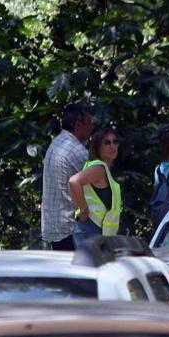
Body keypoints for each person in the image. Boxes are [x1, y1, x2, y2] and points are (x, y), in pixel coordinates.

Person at [41, 102, 93, 250]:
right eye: (89, 123)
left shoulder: (56, 143)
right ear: (78, 124)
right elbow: (98, 183)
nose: (92, 127)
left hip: (54, 226)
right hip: (70, 228)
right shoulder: (76, 151)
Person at [69, 128, 121, 245]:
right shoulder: (99, 168)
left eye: (115, 142)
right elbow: (73, 182)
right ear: (98, 147)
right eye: (107, 143)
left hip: (93, 229)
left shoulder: (100, 168)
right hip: (90, 229)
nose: (112, 146)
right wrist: (84, 210)